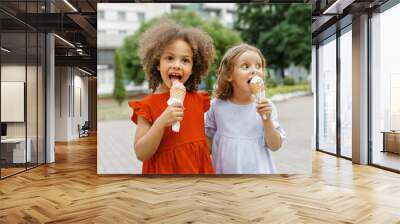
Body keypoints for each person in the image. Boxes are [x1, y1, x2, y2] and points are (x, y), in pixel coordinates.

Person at [128, 23, 215, 174]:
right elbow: (141, 153)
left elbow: (204, 145)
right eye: (169, 58)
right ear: (157, 63)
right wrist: (161, 122)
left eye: (185, 60)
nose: (177, 65)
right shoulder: (147, 105)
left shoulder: (199, 100)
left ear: (194, 68)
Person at [205, 43, 286, 174]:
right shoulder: (216, 106)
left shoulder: (267, 106)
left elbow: (275, 146)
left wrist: (267, 120)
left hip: (259, 175)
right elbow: (207, 142)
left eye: (258, 66)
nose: (254, 70)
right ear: (229, 75)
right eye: (245, 66)